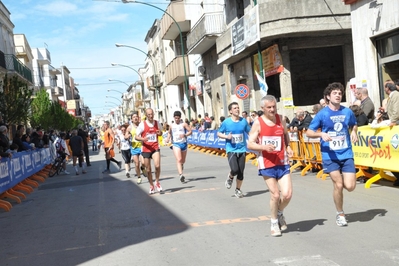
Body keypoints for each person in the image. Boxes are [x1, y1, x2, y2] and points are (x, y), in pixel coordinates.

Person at [306, 82, 358, 227]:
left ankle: (340, 208)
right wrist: (321, 134)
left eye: (340, 93)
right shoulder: (322, 114)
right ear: (328, 97)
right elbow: (309, 132)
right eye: (335, 93)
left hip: (346, 153)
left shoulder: (347, 112)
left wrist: (354, 131)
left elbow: (354, 124)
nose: (338, 95)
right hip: (330, 154)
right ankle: (340, 213)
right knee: (339, 184)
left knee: (351, 186)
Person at [247, 95, 293, 237]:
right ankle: (274, 222)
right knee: (275, 194)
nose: (272, 109)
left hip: (282, 161)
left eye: (274, 107)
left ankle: (279, 213)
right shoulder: (258, 123)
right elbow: (249, 144)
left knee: (287, 195)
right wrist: (264, 147)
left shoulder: (281, 119)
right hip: (267, 163)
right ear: (263, 108)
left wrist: (289, 146)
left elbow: (285, 134)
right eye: (269, 107)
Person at [217, 102, 251, 198]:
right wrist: (226, 136)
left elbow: (250, 132)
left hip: (242, 149)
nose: (237, 109)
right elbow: (218, 133)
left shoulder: (243, 121)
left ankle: (238, 190)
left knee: (241, 171)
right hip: (231, 149)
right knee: (235, 169)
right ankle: (230, 176)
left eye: (238, 108)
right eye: (235, 108)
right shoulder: (226, 122)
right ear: (231, 111)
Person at [135, 108, 163, 194]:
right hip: (146, 149)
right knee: (148, 170)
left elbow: (161, 132)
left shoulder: (157, 123)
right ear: (146, 115)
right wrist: (143, 139)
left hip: (155, 147)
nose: (151, 116)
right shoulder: (142, 125)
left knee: (157, 166)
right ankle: (151, 185)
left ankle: (157, 182)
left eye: (152, 114)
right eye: (149, 114)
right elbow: (136, 136)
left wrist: (159, 133)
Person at [165, 110, 192, 183]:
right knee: (179, 159)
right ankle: (181, 175)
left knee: (183, 160)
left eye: (178, 118)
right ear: (174, 118)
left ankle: (181, 165)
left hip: (183, 143)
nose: (177, 119)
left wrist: (185, 135)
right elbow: (169, 133)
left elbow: (190, 131)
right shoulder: (171, 125)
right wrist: (167, 138)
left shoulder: (184, 124)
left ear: (180, 118)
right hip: (175, 144)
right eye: (175, 118)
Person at [127, 112, 146, 184]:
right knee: (137, 163)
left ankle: (143, 168)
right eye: (133, 117)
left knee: (143, 162)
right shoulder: (130, 127)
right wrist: (127, 136)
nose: (135, 118)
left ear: (138, 118)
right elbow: (126, 135)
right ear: (131, 119)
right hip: (134, 147)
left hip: (141, 146)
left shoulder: (142, 125)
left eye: (136, 116)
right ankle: (139, 177)